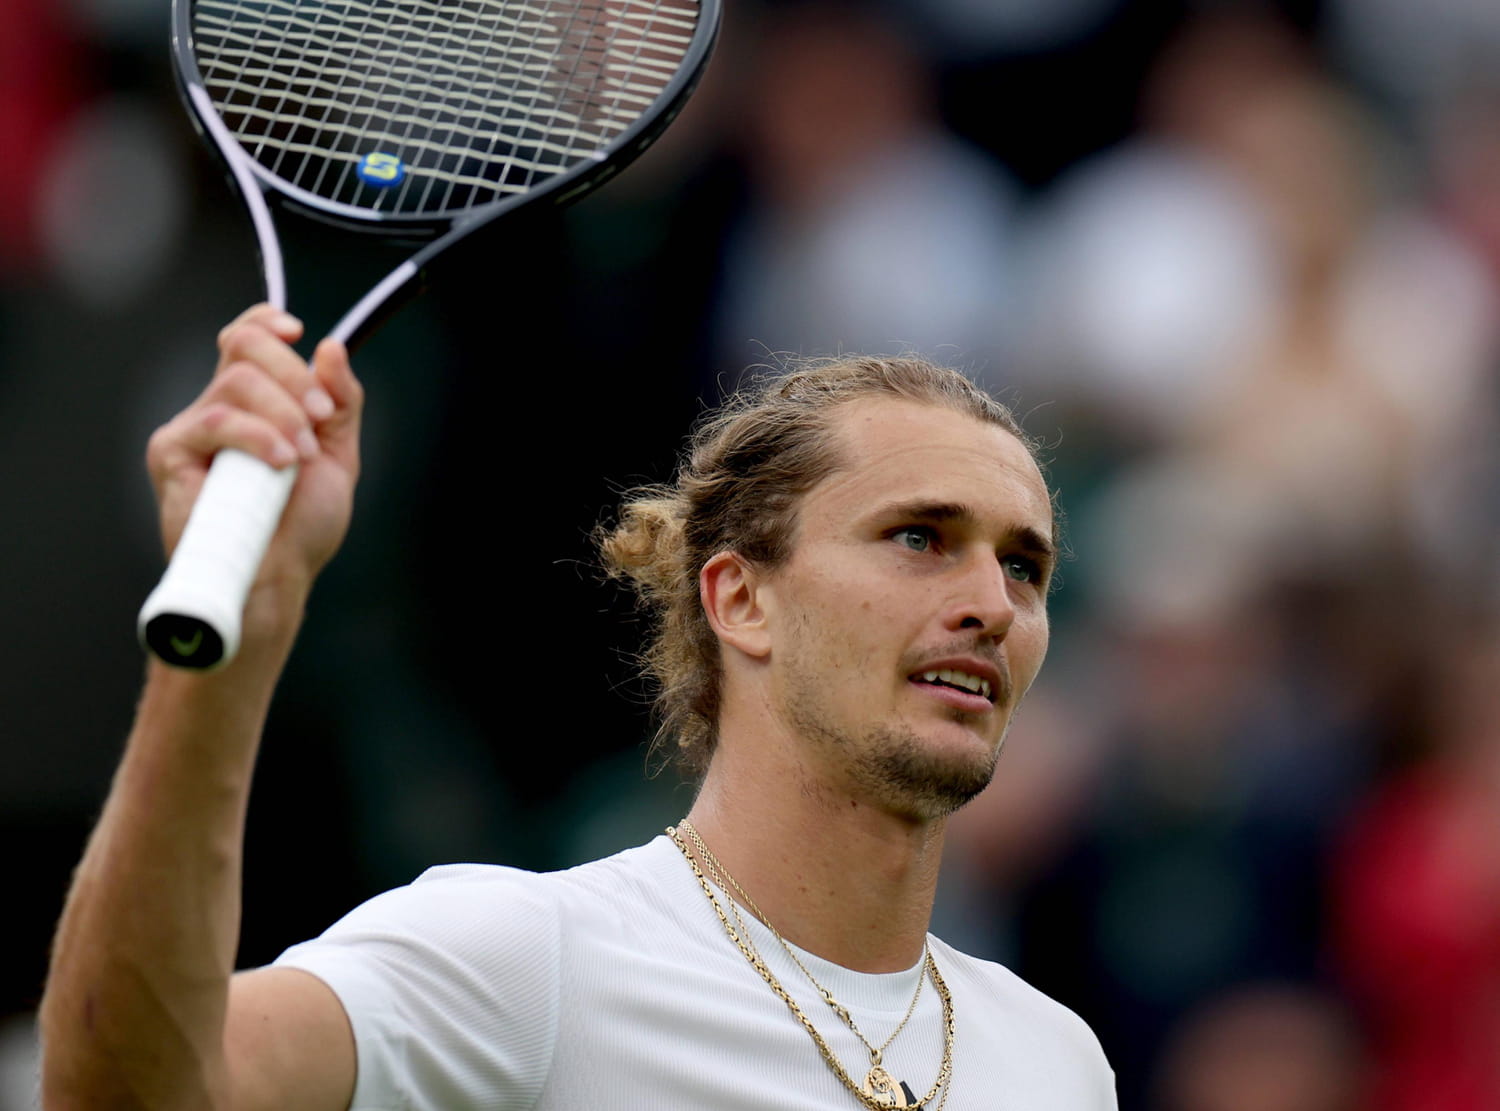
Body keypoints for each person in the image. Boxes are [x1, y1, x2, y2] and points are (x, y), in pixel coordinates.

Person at [39, 304, 1116, 1109]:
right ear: (741, 599)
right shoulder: (525, 961)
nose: (991, 605)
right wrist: (224, 654)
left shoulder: (1057, 1062)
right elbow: (130, 1091)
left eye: (1025, 566)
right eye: (920, 537)